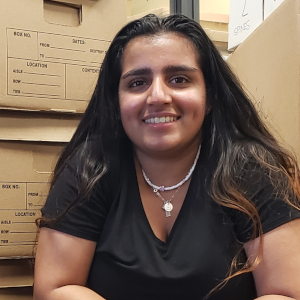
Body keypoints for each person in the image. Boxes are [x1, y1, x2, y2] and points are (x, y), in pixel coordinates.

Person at [33, 14, 300, 300]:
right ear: (117, 101)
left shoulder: (252, 168)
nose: (157, 96)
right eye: (137, 83)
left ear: (209, 97)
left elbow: (285, 293)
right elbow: (55, 288)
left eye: (179, 79)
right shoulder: (91, 168)